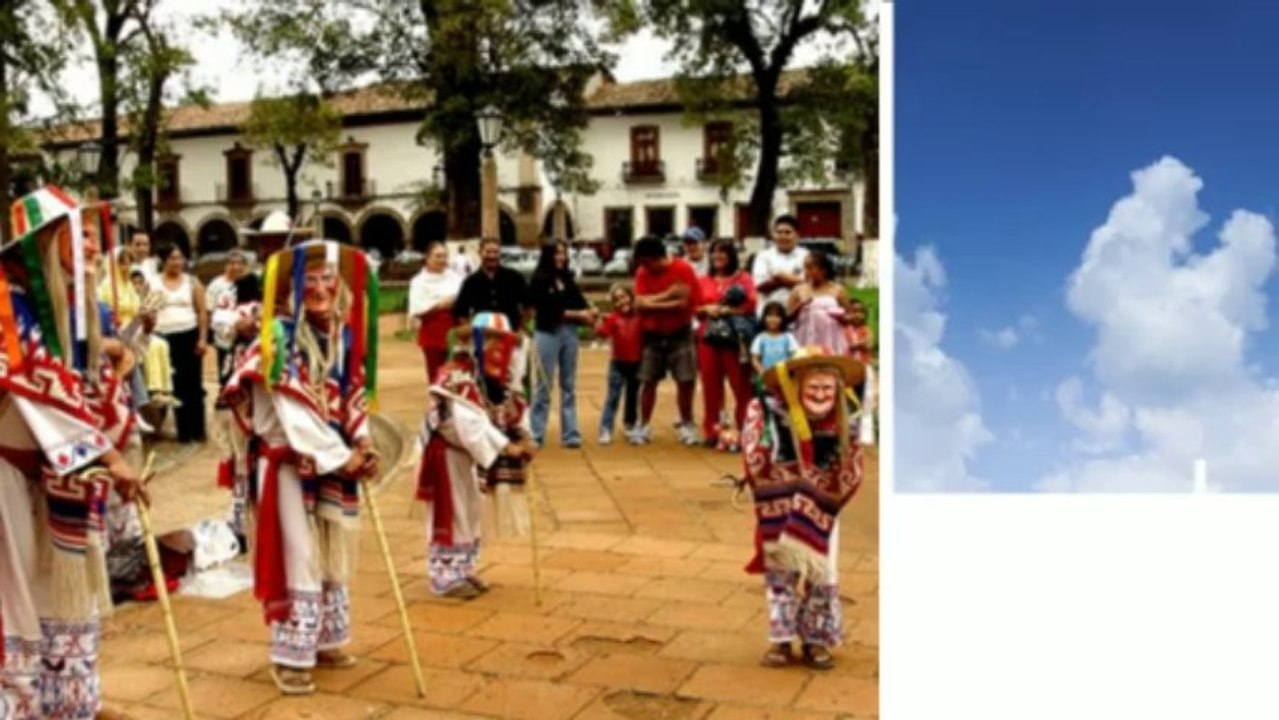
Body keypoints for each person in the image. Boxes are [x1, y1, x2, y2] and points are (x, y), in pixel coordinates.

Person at [0, 186, 144, 719]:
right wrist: (108, 457)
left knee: (63, 590)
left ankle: (70, 697)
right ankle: (21, 705)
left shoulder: (63, 307)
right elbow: (40, 394)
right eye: (76, 233)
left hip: (55, 471)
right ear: (45, 241)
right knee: (16, 601)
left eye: (90, 233)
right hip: (9, 476)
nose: (89, 244)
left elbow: (80, 389)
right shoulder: (6, 305)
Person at [220, 240, 381, 696]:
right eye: (306, 280)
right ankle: (289, 655)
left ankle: (325, 640)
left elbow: (352, 392)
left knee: (328, 550)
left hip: (328, 460)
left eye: (326, 278)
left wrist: (363, 437)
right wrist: (342, 455)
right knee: (300, 555)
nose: (318, 288)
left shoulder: (340, 335)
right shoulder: (277, 339)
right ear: (288, 290)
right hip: (288, 464)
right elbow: (292, 414)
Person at [743, 346, 865, 672]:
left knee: (822, 572)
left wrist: (820, 493)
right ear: (796, 385)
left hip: (823, 509)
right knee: (781, 572)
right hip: (778, 505)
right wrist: (787, 482)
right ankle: (781, 640)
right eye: (814, 387)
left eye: (828, 388)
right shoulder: (765, 411)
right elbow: (753, 454)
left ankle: (815, 639)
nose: (821, 394)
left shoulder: (844, 419)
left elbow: (852, 466)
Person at [415, 320, 533, 599]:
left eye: (503, 343)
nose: (500, 351)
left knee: (469, 511)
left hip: (465, 457)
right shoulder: (457, 379)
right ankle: (444, 577)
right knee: (452, 512)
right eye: (493, 342)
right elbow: (469, 426)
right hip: (446, 454)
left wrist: (524, 434)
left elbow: (510, 407)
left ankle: (462, 569)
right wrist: (506, 447)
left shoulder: (489, 380)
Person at [631, 236, 701, 445]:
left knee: (686, 380)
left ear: (656, 258)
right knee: (648, 380)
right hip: (652, 334)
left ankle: (687, 423)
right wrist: (667, 295)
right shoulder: (643, 272)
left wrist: (650, 302)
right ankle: (643, 425)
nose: (644, 267)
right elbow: (639, 304)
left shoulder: (683, 269)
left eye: (646, 262)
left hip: (679, 331)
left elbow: (682, 303)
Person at [528, 240, 596, 448]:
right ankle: (536, 433)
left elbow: (580, 302)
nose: (561, 257)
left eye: (563, 253)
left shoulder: (567, 278)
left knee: (569, 384)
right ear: (548, 255)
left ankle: (571, 433)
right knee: (544, 385)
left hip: (569, 333)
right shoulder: (539, 280)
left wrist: (590, 311)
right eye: (557, 253)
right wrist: (579, 314)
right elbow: (547, 310)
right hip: (547, 333)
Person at [694, 239, 757, 446]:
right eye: (714, 252)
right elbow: (693, 306)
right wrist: (705, 310)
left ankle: (746, 429)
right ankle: (713, 430)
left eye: (723, 252)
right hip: (709, 337)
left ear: (731, 255)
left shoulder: (743, 278)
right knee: (710, 384)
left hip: (735, 337)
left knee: (741, 384)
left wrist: (725, 310)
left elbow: (751, 304)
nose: (717, 256)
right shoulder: (703, 280)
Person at [151, 243, 209, 442]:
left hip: (189, 335)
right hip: (164, 338)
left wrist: (202, 338)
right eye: (172, 258)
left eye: (180, 258)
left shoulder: (192, 282)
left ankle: (198, 431)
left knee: (194, 384)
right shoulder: (154, 283)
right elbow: (149, 309)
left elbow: (201, 311)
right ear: (164, 261)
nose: (177, 262)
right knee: (175, 385)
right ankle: (184, 431)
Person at [594, 283, 642, 445]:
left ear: (631, 297)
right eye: (617, 300)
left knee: (632, 396)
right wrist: (597, 321)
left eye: (624, 297)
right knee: (613, 396)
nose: (622, 302)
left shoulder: (639, 317)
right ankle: (606, 428)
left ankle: (630, 425)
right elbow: (602, 333)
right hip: (618, 363)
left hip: (637, 363)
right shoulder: (613, 319)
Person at [407, 240, 462, 382]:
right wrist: (441, 305)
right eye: (437, 256)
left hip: (457, 332)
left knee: (457, 373)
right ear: (427, 258)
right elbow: (417, 309)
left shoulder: (456, 278)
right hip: (432, 334)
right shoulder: (418, 281)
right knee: (436, 373)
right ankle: (437, 402)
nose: (442, 260)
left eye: (444, 256)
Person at [452, 236, 529, 330]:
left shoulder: (515, 277)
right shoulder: (470, 282)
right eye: (488, 252)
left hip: (511, 335)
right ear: (480, 253)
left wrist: (521, 329)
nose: (492, 256)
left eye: (496, 252)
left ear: (500, 253)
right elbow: (461, 312)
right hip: (483, 337)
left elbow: (529, 306)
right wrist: (471, 332)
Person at [788, 250, 857, 355]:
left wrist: (841, 317)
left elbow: (850, 317)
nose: (806, 272)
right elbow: (787, 318)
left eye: (810, 268)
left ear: (823, 270)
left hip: (831, 337)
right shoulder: (798, 290)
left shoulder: (837, 289)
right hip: (805, 336)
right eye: (805, 268)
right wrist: (800, 305)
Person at [751, 215, 809, 317]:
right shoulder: (763, 256)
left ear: (797, 235)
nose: (783, 236)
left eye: (787, 232)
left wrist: (780, 277)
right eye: (779, 232)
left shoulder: (806, 256)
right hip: (769, 316)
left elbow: (810, 285)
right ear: (773, 235)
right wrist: (792, 281)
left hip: (800, 315)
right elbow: (761, 286)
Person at [751, 302, 799, 376]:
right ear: (764, 318)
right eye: (770, 315)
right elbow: (755, 359)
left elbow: (795, 355)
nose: (773, 319)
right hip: (767, 376)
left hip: (785, 376)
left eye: (777, 316)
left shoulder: (788, 337)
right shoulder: (760, 338)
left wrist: (790, 370)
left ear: (782, 319)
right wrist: (762, 372)